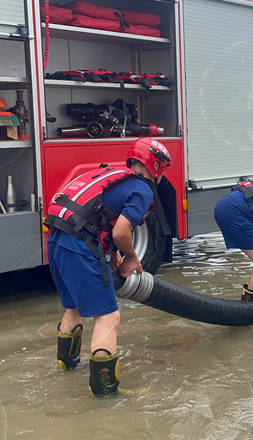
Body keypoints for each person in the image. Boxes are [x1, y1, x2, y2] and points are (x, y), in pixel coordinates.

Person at [43, 137, 171, 396]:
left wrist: (110, 254)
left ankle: (67, 368)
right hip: (79, 247)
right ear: (156, 166)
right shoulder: (143, 189)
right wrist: (132, 257)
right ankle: (106, 391)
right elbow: (120, 232)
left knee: (74, 307)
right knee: (109, 317)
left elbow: (95, 215)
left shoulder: (111, 174)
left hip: (56, 240)